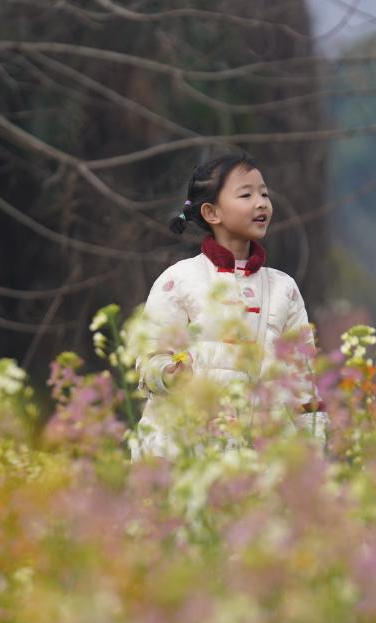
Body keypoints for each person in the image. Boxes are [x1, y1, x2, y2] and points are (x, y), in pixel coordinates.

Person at [128, 151, 328, 460]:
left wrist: (312, 453)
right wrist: (169, 373)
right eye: (246, 195)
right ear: (211, 213)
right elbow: (149, 358)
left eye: (264, 193)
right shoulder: (179, 280)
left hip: (262, 457)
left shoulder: (284, 288)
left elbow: (302, 380)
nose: (261, 203)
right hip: (188, 452)